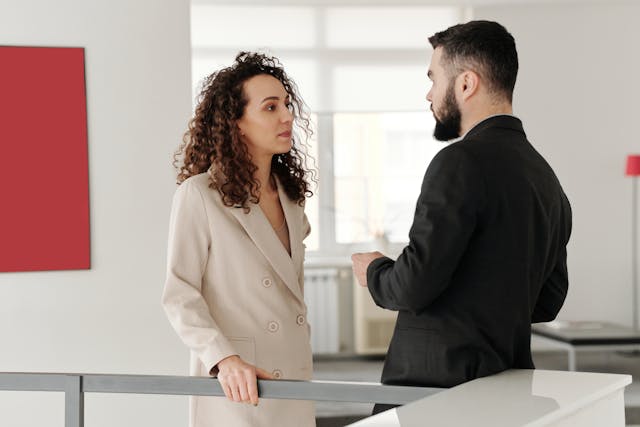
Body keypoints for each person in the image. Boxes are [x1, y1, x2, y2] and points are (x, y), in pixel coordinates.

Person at [351, 20, 572, 414]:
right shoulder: (545, 177)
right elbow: (548, 301)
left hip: (436, 397)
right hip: (507, 390)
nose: (429, 93)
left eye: (434, 79)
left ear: (466, 84)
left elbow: (411, 286)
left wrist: (374, 270)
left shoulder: (458, 162)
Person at [162, 51, 316, 427]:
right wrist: (223, 359)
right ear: (237, 122)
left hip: (294, 374)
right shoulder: (200, 194)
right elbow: (179, 294)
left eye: (286, 104)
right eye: (270, 107)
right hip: (239, 382)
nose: (287, 116)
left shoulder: (291, 196)